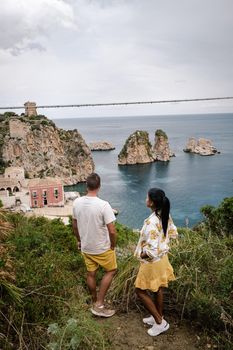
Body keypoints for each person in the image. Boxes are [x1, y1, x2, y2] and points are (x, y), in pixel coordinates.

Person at [72, 173, 117, 318]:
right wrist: (113, 245)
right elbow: (112, 231)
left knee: (91, 273)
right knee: (111, 270)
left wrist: (79, 240)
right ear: (99, 187)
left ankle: (93, 300)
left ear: (86, 186)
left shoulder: (76, 203)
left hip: (86, 247)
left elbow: (74, 225)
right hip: (102, 247)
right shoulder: (104, 205)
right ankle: (99, 304)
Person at [134, 188, 178, 336]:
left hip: (152, 263)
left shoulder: (152, 222)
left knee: (139, 290)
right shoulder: (163, 214)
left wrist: (142, 254)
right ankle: (157, 317)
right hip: (162, 259)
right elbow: (173, 233)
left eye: (147, 197)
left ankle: (160, 322)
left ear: (151, 202)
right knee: (157, 288)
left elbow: (152, 250)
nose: (145, 199)